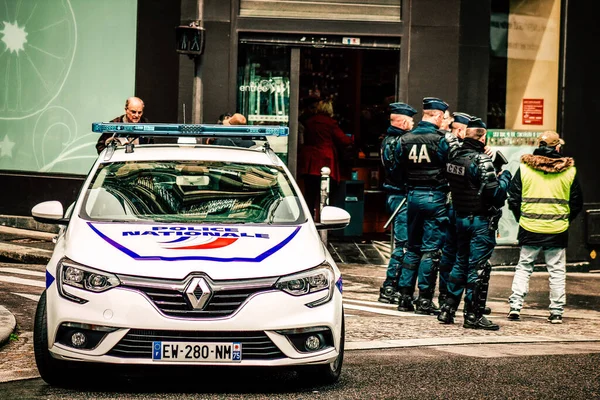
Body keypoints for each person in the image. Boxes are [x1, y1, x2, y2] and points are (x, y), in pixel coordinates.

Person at [438, 117, 511, 330]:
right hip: (480, 221)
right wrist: (504, 177)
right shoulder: (482, 161)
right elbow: (495, 195)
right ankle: (473, 315)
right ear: (484, 136)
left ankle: (447, 309)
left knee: (460, 263)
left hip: (459, 217)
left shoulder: (454, 158)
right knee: (478, 268)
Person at [506, 131, 583, 324]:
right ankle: (556, 311)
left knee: (524, 267)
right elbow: (577, 202)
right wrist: (564, 220)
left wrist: (521, 218)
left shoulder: (525, 168)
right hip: (557, 228)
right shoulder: (569, 171)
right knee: (556, 270)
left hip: (529, 226)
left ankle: (515, 306)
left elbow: (513, 198)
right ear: (557, 147)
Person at [396, 97, 450, 314]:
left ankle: (405, 297)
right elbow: (450, 165)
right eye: (443, 117)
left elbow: (396, 169)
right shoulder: (442, 139)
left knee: (412, 247)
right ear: (437, 116)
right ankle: (425, 300)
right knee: (430, 250)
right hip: (435, 196)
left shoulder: (405, 139)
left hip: (412, 196)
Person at [377, 102, 417, 304]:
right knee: (402, 245)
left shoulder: (391, 140)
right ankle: (390, 286)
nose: (413, 124)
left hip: (398, 195)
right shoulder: (397, 142)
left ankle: (398, 285)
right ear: (402, 121)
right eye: (410, 120)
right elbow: (399, 170)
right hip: (401, 196)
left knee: (405, 244)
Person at [297, 98, 353, 219]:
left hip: (310, 161)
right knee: (327, 193)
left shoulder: (309, 121)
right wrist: (352, 138)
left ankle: (309, 220)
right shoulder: (330, 123)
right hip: (325, 159)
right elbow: (343, 140)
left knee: (310, 194)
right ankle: (325, 220)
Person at [437, 112, 472, 306]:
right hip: (457, 205)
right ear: (460, 131)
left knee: (449, 252)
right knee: (457, 254)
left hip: (448, 203)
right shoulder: (457, 149)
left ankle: (446, 295)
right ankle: (452, 296)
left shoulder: (444, 144)